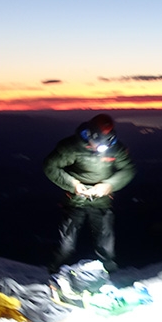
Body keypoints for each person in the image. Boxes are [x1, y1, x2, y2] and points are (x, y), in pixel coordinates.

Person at [43, 113, 136, 273]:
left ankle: (110, 273)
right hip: (74, 200)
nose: (99, 148)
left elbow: (128, 169)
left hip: (102, 200)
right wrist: (73, 184)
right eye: (96, 143)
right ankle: (55, 272)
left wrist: (109, 185)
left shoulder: (116, 148)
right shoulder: (71, 147)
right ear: (89, 135)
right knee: (66, 244)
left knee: (105, 243)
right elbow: (50, 166)